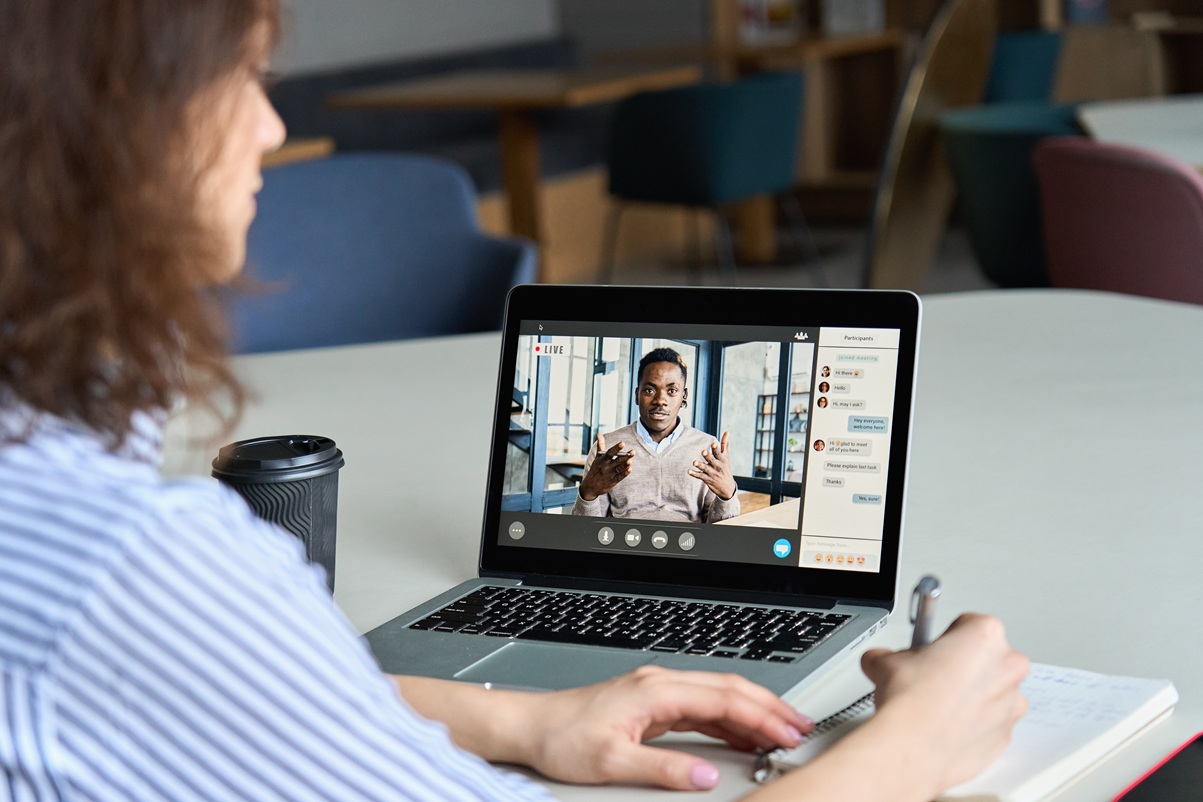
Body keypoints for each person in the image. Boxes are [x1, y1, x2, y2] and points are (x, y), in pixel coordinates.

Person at [0, 2, 1028, 799]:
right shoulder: (128, 571)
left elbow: (193, 700)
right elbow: (143, 648)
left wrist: (522, 723)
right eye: (241, 74)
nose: (270, 125)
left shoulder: (55, 481)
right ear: (108, 124)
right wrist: (912, 747)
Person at [572, 347, 740, 523]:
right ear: (637, 395)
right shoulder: (607, 448)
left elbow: (720, 532)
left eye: (672, 391)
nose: (660, 400)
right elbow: (586, 530)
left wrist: (727, 496)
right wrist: (587, 494)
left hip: (687, 545)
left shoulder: (707, 448)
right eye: (650, 390)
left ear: (684, 397)